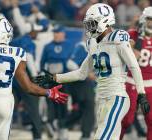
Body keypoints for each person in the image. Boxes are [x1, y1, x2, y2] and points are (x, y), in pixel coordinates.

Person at [33, 3, 150, 139]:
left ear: (105, 21)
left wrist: (141, 93)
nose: (89, 27)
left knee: (101, 137)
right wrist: (55, 78)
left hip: (116, 97)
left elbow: (134, 66)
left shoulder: (118, 37)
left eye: (92, 23)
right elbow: (81, 73)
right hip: (101, 98)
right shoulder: (93, 43)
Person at [120, 7, 152, 140]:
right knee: (126, 120)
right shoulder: (132, 34)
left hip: (150, 84)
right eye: (150, 19)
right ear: (144, 19)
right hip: (132, 82)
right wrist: (139, 39)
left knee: (151, 121)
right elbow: (129, 55)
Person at [40, 25, 74, 140]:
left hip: (65, 81)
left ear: (63, 34)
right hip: (51, 82)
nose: (56, 35)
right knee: (51, 105)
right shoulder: (47, 46)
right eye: (55, 33)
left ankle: (63, 128)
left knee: (64, 105)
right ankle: (52, 125)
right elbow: (42, 63)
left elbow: (72, 63)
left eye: (58, 32)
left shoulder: (69, 45)